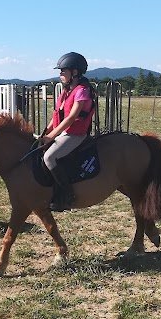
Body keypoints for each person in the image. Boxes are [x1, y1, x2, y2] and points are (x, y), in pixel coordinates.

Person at [41, 52, 94, 211]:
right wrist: (45, 133)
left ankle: (67, 194)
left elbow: (71, 118)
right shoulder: (66, 91)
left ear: (75, 72)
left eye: (63, 71)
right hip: (63, 132)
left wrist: (52, 136)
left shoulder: (82, 91)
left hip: (75, 134)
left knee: (50, 158)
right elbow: (57, 115)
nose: (60, 74)